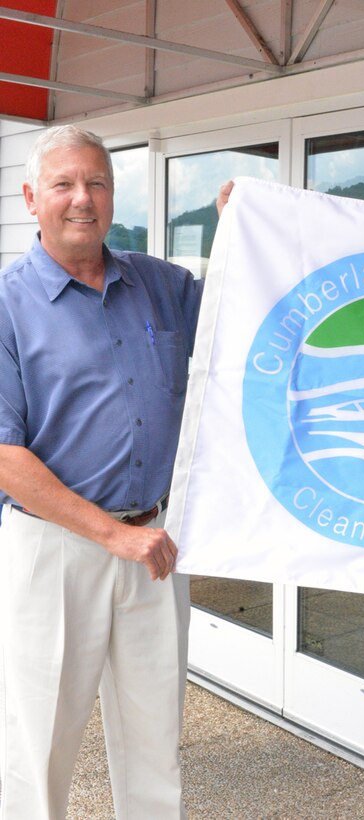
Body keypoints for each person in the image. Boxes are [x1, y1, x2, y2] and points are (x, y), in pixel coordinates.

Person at [0, 125, 201, 819]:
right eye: (63, 184)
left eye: (97, 183)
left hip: (155, 543)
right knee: (40, 746)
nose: (81, 199)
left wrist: (246, 228)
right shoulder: (6, 305)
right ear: (32, 197)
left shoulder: (163, 286)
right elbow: (4, 456)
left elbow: (254, 322)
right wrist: (113, 537)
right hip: (55, 549)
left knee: (157, 743)